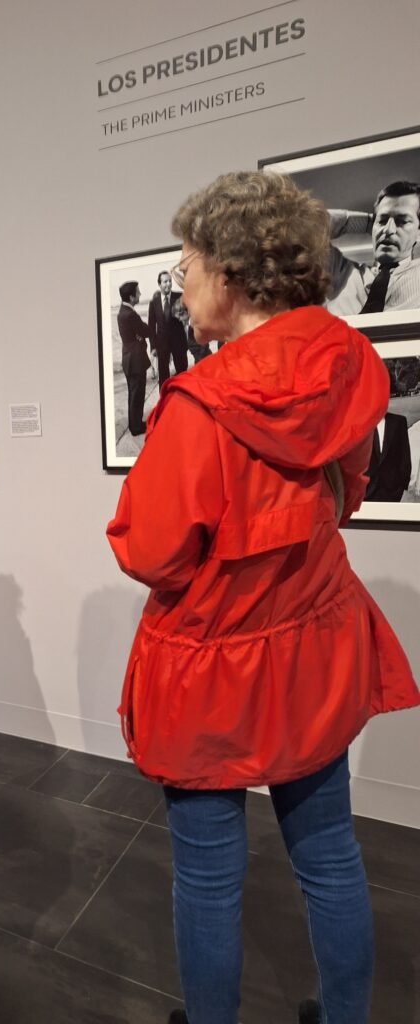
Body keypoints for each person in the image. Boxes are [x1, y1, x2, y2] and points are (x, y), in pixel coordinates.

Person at [106, 172, 419, 1024]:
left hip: (214, 660)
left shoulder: (201, 405)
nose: (180, 278)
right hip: (314, 641)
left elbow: (153, 551)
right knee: (330, 855)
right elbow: (348, 491)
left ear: (233, 274)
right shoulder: (351, 363)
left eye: (188, 262)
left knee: (209, 874)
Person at [327, 180, 420, 315]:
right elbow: (298, 227)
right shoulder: (344, 272)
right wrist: (367, 222)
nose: (388, 230)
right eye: (382, 221)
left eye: (402, 221)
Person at [117, 281, 152, 436]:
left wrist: (139, 335)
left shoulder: (123, 311)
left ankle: (135, 424)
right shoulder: (130, 314)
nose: (140, 295)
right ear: (131, 297)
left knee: (134, 394)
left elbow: (139, 332)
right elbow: (145, 331)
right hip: (135, 360)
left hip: (129, 358)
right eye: (138, 293)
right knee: (137, 395)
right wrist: (142, 334)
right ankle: (136, 428)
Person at [148, 271, 188, 385]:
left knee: (183, 376)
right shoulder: (153, 302)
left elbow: (188, 315)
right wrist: (153, 347)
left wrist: (185, 316)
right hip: (162, 345)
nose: (168, 284)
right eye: (165, 281)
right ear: (159, 284)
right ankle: (164, 401)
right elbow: (151, 326)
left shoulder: (180, 297)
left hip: (179, 344)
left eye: (170, 281)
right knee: (164, 378)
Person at [365, 412, 412, 501]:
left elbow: (404, 456)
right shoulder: (360, 422)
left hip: (392, 491)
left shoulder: (399, 422)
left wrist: (402, 487)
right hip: (365, 491)